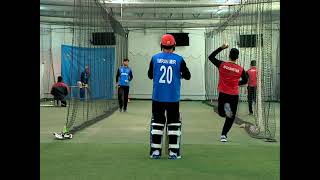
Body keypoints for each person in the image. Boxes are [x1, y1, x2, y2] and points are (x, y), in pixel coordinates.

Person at [148, 34, 191, 160]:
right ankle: (173, 152)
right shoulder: (179, 59)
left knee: (157, 123)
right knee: (173, 124)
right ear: (174, 46)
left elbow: (150, 75)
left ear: (162, 45)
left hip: (158, 97)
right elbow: (188, 76)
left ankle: (155, 152)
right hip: (173, 97)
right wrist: (180, 74)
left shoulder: (154, 58)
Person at [208, 43, 248, 142]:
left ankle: (225, 110)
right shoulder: (240, 69)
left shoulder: (222, 65)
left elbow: (211, 57)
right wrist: (236, 83)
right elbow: (245, 81)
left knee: (221, 113)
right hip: (234, 95)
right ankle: (224, 135)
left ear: (229, 55)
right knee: (231, 117)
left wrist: (221, 47)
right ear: (237, 57)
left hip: (223, 94)